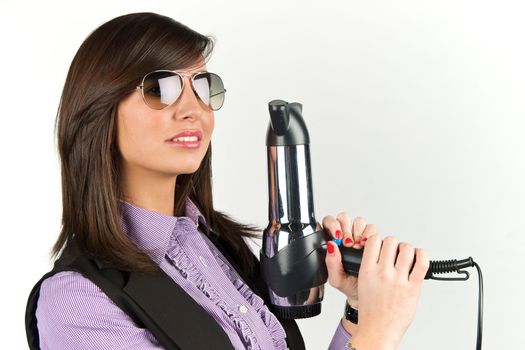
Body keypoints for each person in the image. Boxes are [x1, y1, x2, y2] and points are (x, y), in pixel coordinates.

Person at [25, 12, 429, 350]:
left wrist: (360, 313)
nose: (193, 108)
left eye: (202, 86)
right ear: (100, 109)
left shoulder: (219, 249)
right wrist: (378, 335)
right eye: (161, 88)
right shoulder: (78, 305)